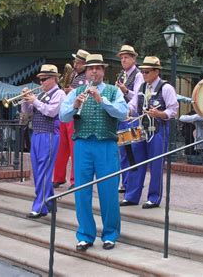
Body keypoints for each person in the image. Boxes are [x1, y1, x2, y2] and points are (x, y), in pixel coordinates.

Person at [60, 54, 128, 251]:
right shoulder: (76, 92)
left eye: (98, 68)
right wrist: (75, 106)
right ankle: (85, 234)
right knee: (82, 191)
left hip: (106, 145)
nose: (94, 71)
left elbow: (122, 113)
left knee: (108, 192)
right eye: (91, 68)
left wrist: (102, 100)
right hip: (82, 144)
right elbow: (63, 118)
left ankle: (110, 234)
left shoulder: (114, 92)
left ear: (103, 71)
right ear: (86, 71)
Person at [120, 56, 178, 209]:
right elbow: (133, 105)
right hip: (141, 129)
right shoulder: (142, 87)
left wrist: (160, 114)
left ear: (156, 72)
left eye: (147, 72)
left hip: (158, 131)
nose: (144, 74)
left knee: (156, 165)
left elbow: (173, 109)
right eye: (143, 71)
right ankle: (131, 196)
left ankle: (154, 198)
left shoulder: (166, 88)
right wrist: (126, 111)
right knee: (136, 162)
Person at [21, 64, 66, 218]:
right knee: (37, 170)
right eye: (40, 79)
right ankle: (50, 203)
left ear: (54, 78)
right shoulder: (40, 94)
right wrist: (25, 101)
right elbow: (27, 114)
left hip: (49, 135)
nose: (41, 83)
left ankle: (39, 207)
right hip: (37, 134)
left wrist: (34, 101)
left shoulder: (59, 94)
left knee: (44, 171)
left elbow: (52, 112)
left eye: (44, 79)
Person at [52, 49, 89, 190]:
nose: (75, 65)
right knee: (61, 148)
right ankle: (58, 177)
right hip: (65, 113)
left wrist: (69, 91)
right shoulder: (73, 74)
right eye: (75, 62)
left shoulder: (86, 77)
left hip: (75, 115)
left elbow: (83, 94)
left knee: (74, 150)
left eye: (78, 63)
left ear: (84, 64)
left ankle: (75, 181)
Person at [115, 45, 144, 193]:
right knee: (123, 152)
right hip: (122, 118)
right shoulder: (121, 75)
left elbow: (138, 97)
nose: (123, 60)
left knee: (132, 152)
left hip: (133, 119)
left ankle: (131, 183)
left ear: (134, 58)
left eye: (126, 57)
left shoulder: (138, 75)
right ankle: (125, 182)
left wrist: (125, 90)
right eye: (121, 57)